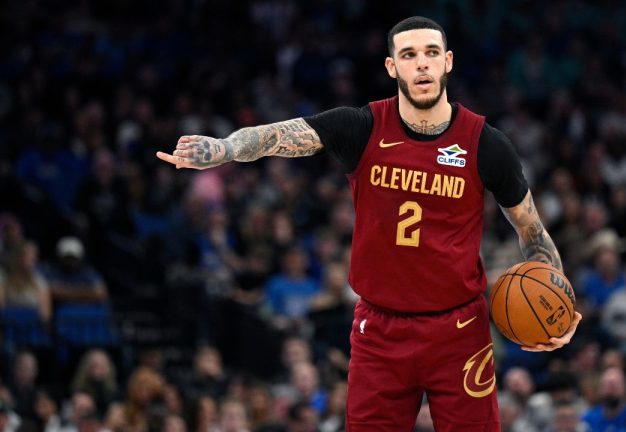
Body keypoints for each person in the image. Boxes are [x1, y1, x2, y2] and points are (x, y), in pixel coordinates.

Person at [158, 16, 581, 431]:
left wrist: (556, 305)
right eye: (409, 55)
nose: (422, 64)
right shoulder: (362, 127)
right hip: (380, 329)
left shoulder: (485, 144)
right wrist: (225, 147)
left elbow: (532, 232)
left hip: (459, 330)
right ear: (391, 66)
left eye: (432, 53)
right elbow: (282, 135)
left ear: (448, 62)